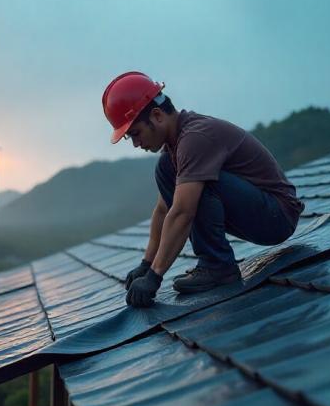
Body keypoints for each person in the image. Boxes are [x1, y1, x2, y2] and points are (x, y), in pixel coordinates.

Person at [102, 71, 304, 308]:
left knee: (195, 186)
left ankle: (217, 266)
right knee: (165, 169)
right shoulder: (175, 149)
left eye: (135, 133)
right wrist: (146, 264)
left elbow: (182, 212)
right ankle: (214, 263)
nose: (136, 143)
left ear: (157, 116)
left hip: (277, 216)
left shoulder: (195, 138)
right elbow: (163, 209)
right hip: (261, 213)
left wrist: (155, 277)